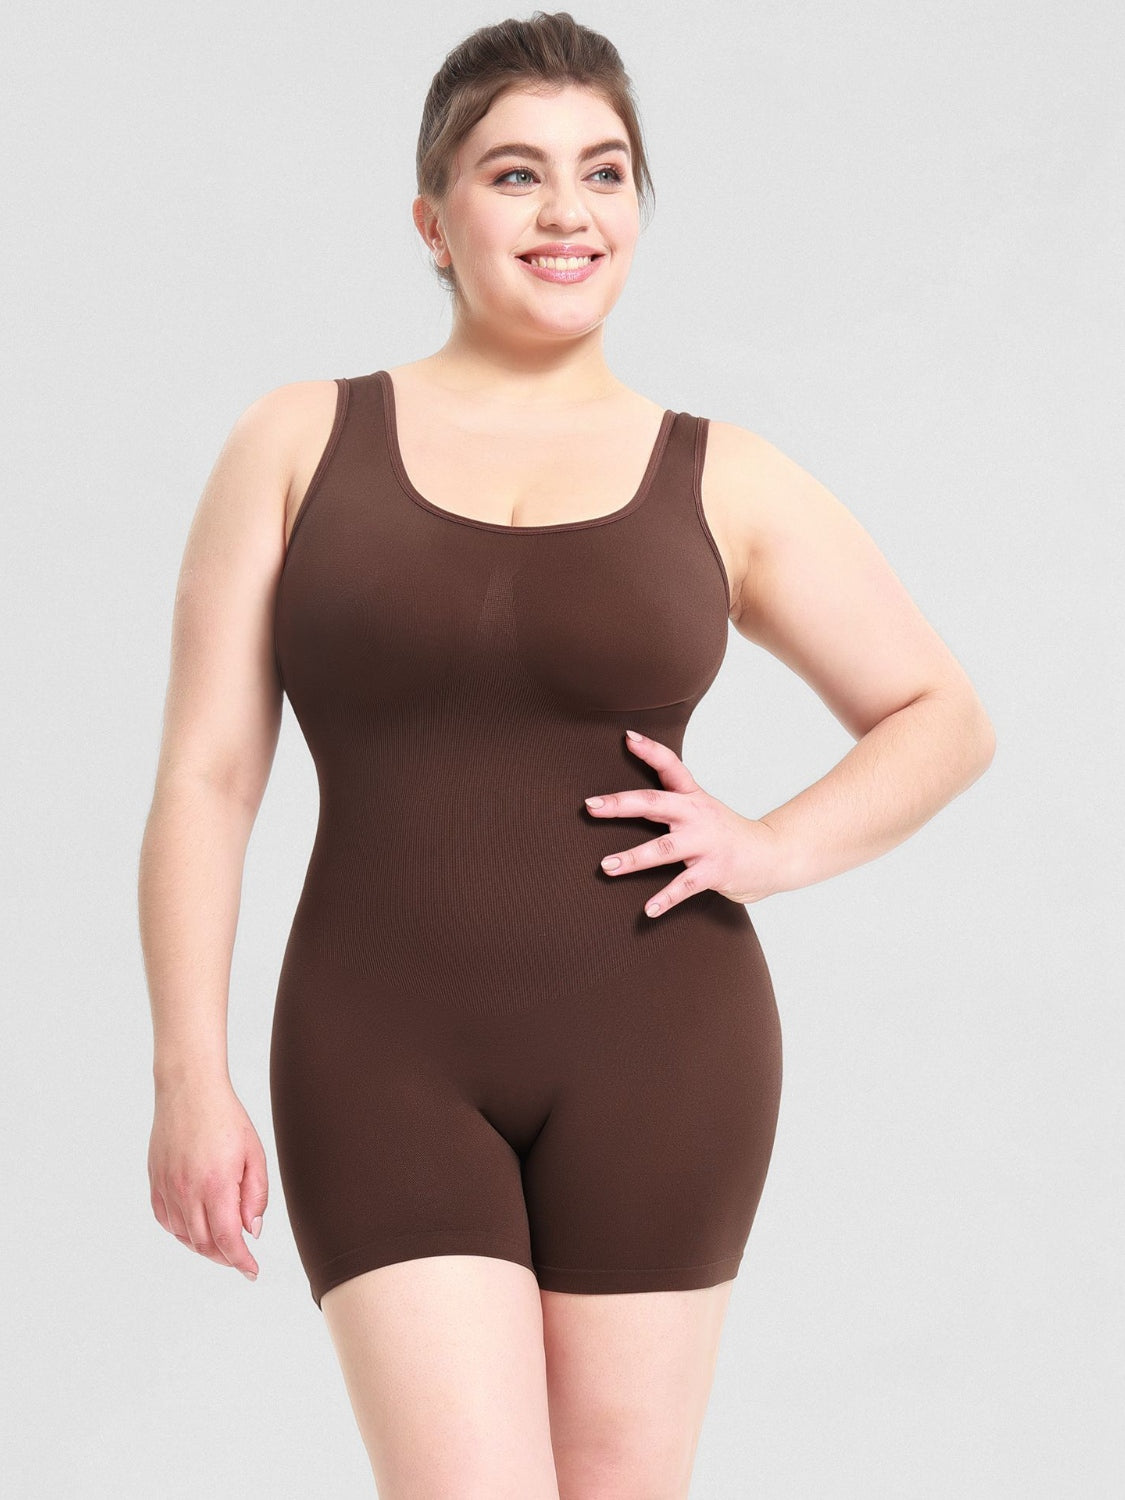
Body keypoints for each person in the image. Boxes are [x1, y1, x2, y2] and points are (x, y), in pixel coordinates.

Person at [138, 11, 996, 1497]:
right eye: (514, 173)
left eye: (603, 172)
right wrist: (185, 1075)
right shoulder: (296, 442)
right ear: (432, 218)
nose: (566, 212)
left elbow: (943, 715)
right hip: (376, 1054)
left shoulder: (721, 475)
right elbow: (207, 780)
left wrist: (771, 847)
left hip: (663, 1050)